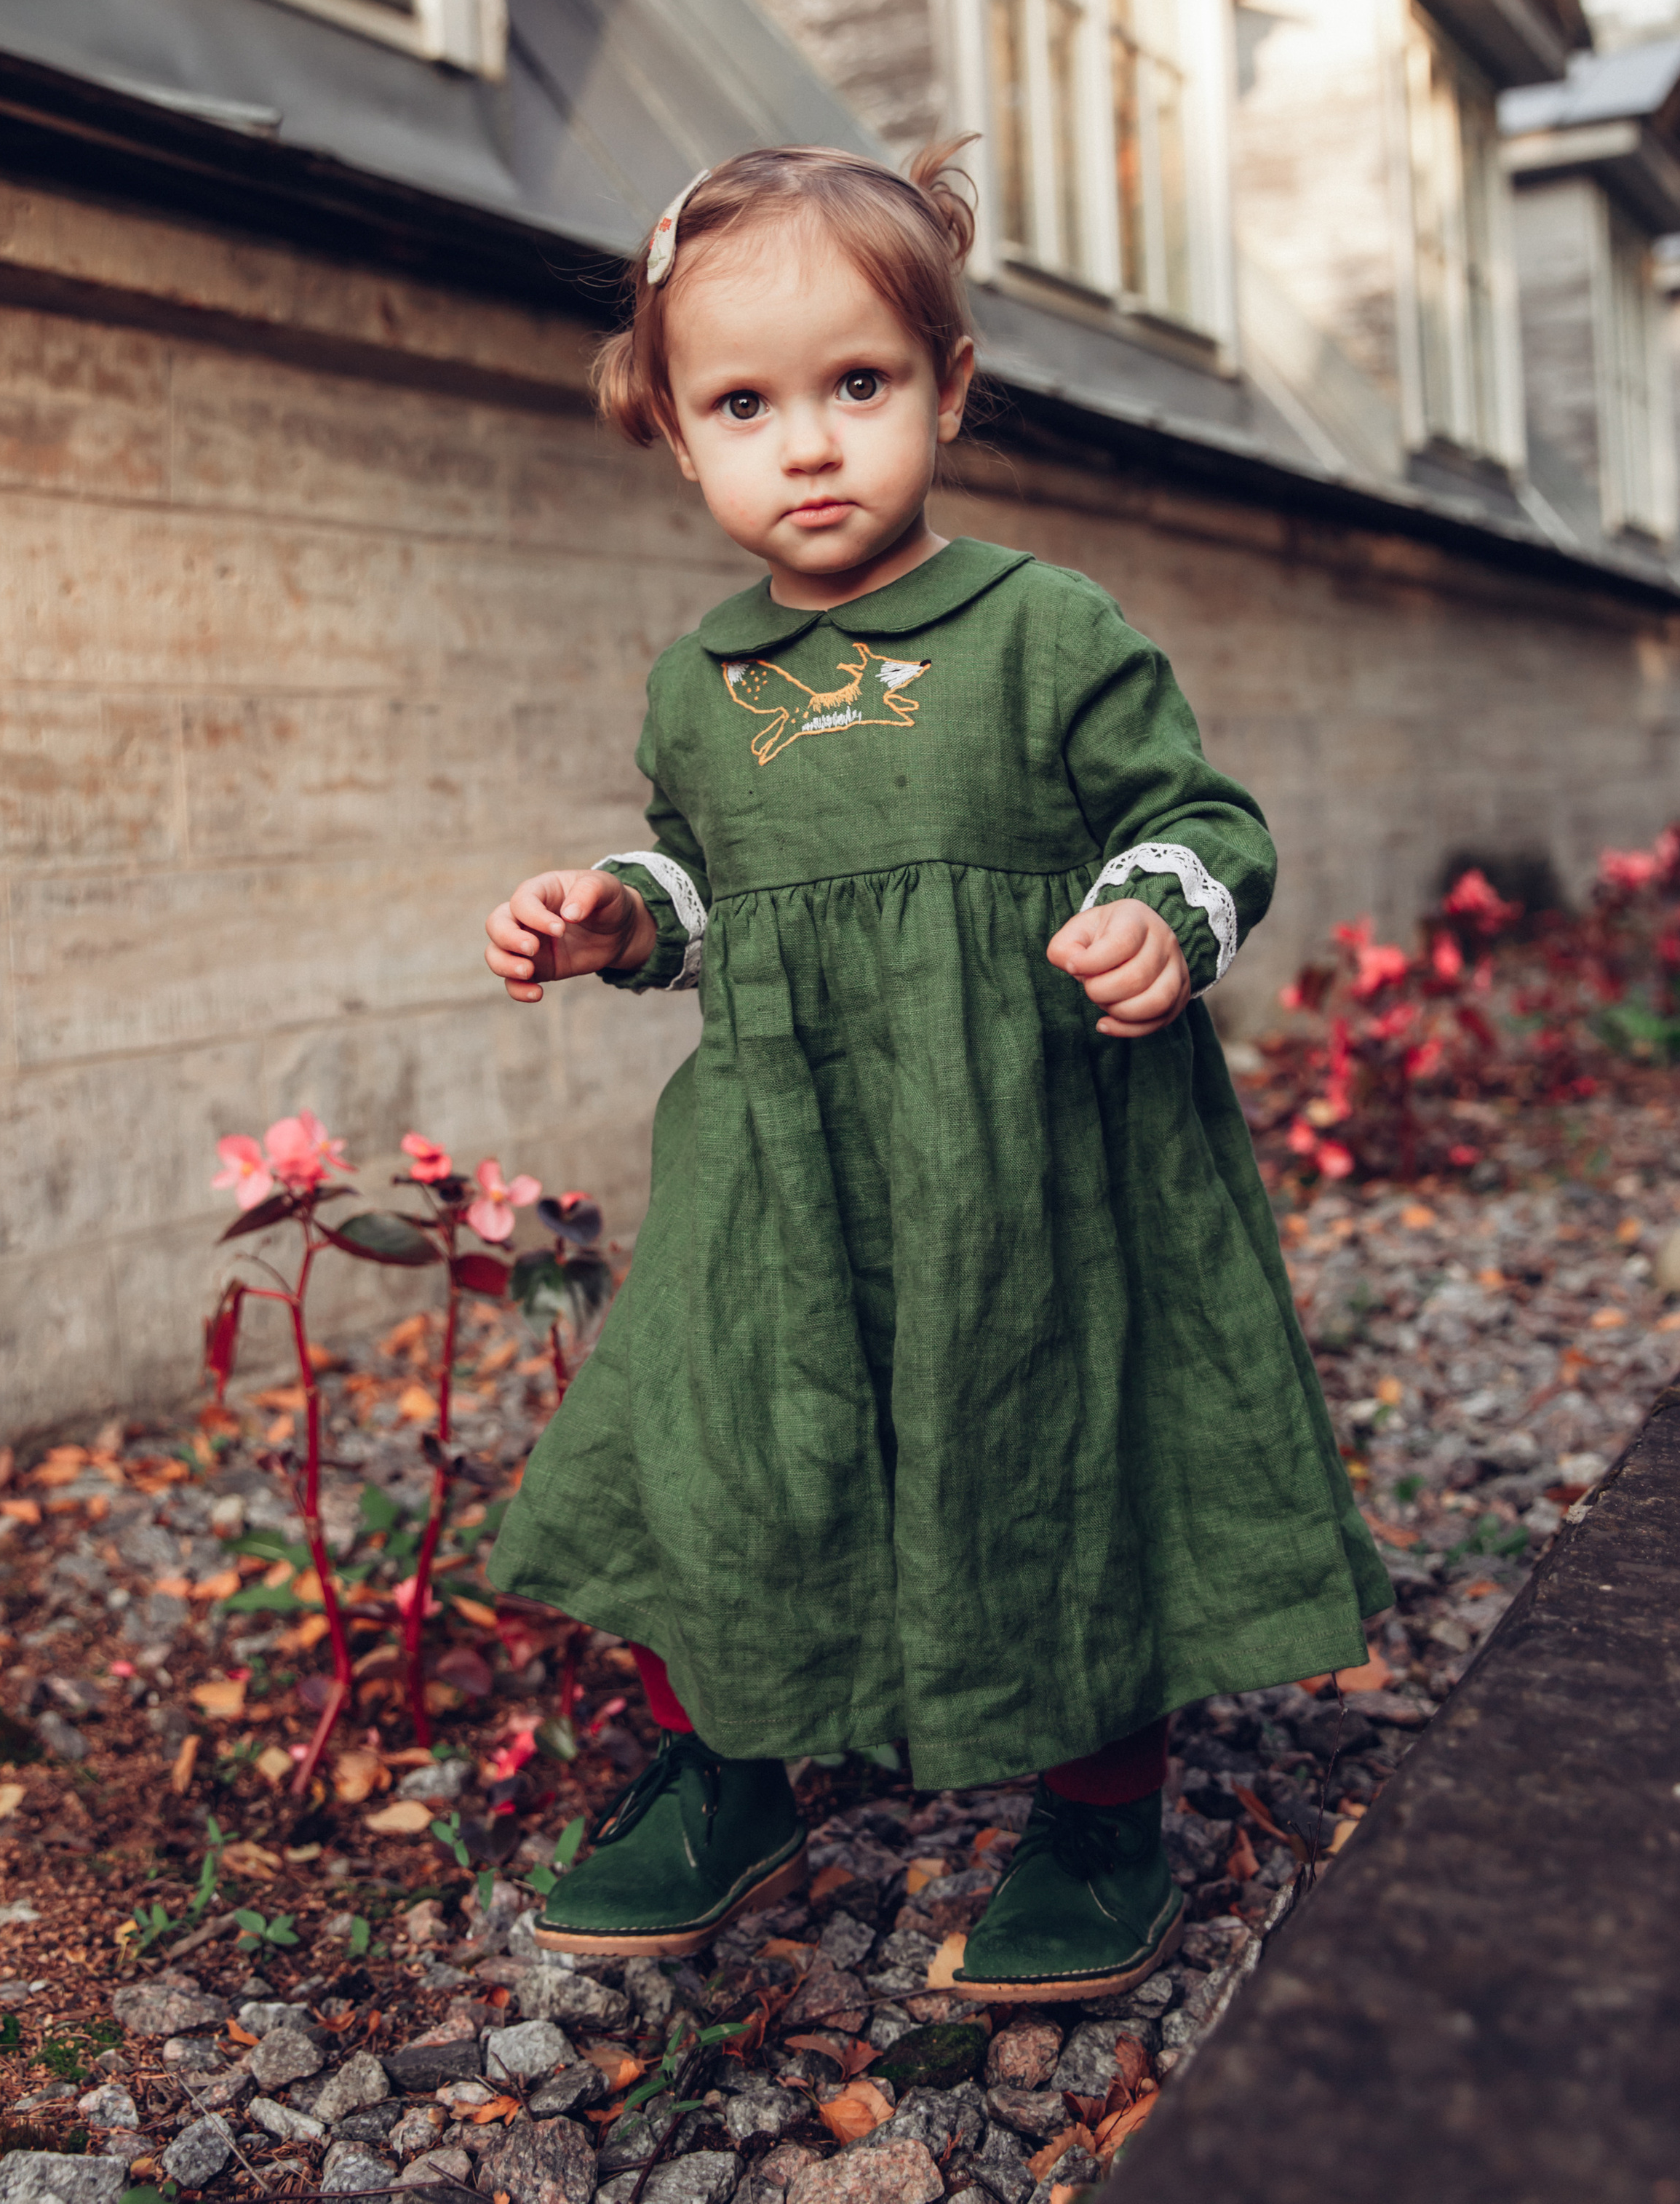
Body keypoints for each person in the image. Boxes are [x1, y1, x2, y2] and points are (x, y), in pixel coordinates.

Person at [483, 142, 1388, 2000]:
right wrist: (613, 916)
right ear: (673, 429)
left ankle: (1095, 1812)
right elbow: (715, 882)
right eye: (745, 402)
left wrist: (1155, 910)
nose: (806, 443)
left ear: (948, 387)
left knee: (1056, 1448)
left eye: (858, 386)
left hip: (1029, 1151)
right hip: (782, 1164)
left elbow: (1200, 819)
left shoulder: (1043, 630)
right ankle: (735, 1766)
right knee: (716, 1441)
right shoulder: (696, 687)